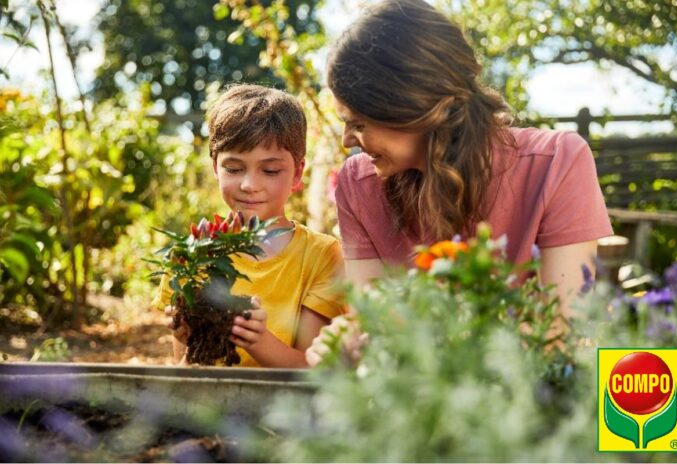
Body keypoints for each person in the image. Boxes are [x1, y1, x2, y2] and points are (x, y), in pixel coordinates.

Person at [328, 0, 613, 324]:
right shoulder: (359, 184)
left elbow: (560, 329)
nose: (346, 141)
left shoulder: (555, 164)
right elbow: (372, 324)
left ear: (414, 106)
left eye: (359, 124)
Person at [152, 84, 346, 368]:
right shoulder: (191, 256)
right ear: (216, 167)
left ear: (297, 173)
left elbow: (312, 368)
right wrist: (188, 338)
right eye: (233, 168)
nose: (249, 185)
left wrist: (258, 341)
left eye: (270, 170)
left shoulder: (321, 254)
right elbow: (184, 369)